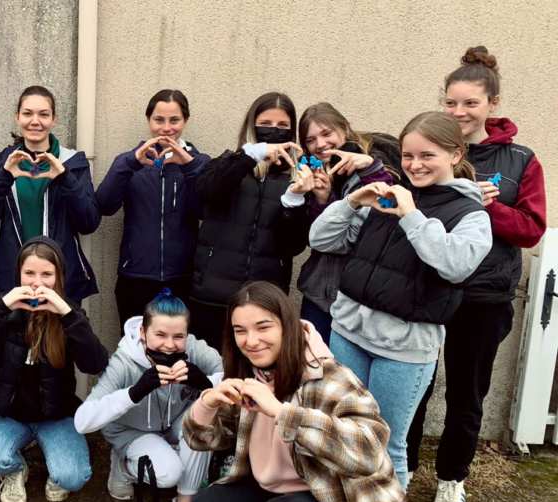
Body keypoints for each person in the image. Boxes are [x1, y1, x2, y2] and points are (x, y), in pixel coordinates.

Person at [184, 281, 405, 502]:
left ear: (287, 326)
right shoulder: (248, 375)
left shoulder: (327, 377)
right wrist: (208, 403)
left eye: (263, 327)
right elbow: (204, 439)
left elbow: (369, 450)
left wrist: (281, 412)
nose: (251, 341)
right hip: (278, 494)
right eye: (240, 330)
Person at [309, 111, 493, 490]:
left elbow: (454, 266)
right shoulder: (387, 195)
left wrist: (411, 214)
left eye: (427, 155)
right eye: (408, 155)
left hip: (403, 351)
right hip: (349, 335)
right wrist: (351, 202)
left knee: (387, 443)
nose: (415, 164)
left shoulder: (471, 214)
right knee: (344, 431)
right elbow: (321, 239)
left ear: (456, 155)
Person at [406, 46, 548, 502]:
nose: (459, 111)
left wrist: (490, 206)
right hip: (426, 288)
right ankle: (403, 469)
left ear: (493, 103)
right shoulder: (428, 146)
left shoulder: (520, 160)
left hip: (483, 296)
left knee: (466, 395)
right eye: (451, 102)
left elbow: (532, 229)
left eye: (470, 103)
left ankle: (452, 480)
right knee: (414, 386)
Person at [0, 237, 109, 502]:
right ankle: (15, 469)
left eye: (46, 274)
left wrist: (67, 315)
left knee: (73, 477)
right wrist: (1, 308)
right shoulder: (0, 307)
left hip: (56, 417)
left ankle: (54, 462)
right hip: (7, 416)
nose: (37, 283)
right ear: (18, 274)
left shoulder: (69, 311)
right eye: (29, 273)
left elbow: (95, 364)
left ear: (58, 277)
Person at [75, 290, 222, 502]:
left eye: (178, 336)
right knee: (169, 473)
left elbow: (234, 379)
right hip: (132, 431)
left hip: (173, 423)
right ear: (143, 332)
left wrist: (206, 383)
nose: (170, 345)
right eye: (160, 335)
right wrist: (133, 393)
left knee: (207, 417)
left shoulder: (194, 348)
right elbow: (82, 421)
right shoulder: (124, 362)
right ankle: (123, 465)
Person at [190, 91, 309, 347]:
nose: (274, 131)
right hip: (211, 295)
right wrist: (249, 156)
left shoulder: (296, 177)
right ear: (252, 126)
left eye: (283, 126)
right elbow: (208, 194)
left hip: (265, 300)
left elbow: (293, 246)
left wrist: (294, 200)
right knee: (207, 367)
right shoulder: (226, 162)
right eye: (265, 124)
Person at [95, 89, 211, 333]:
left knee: (179, 348)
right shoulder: (130, 162)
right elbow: (104, 205)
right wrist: (129, 164)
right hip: (135, 278)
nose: (166, 128)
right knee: (135, 347)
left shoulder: (200, 162)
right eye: (159, 120)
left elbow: (204, 211)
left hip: (184, 279)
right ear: (148, 120)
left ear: (186, 121)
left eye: (174, 120)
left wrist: (189, 168)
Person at [0, 86, 100, 304]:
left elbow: (89, 222)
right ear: (17, 117)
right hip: (11, 278)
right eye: (27, 113)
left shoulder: (73, 163)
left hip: (60, 280)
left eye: (43, 114)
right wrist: (4, 176)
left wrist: (64, 177)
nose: (35, 121)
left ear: (54, 119)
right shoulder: (1, 164)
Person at [293, 103, 403, 343]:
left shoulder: (379, 163)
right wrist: (323, 199)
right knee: (313, 361)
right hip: (318, 295)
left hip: (360, 298)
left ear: (344, 129)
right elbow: (320, 239)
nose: (320, 144)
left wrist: (371, 171)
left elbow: (388, 213)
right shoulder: (311, 173)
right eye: (311, 140)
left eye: (327, 133)